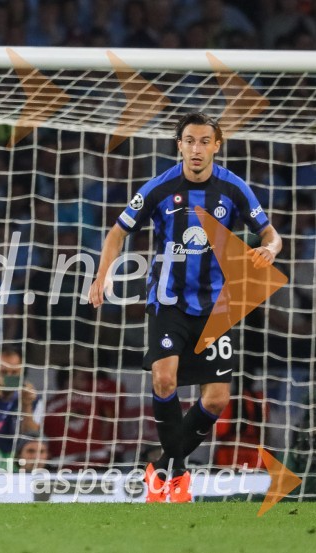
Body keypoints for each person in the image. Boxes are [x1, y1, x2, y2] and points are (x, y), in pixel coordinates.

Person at [89, 112, 282, 503]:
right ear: (179, 145)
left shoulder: (233, 188)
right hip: (169, 301)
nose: (196, 149)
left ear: (216, 145)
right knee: (164, 380)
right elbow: (117, 232)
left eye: (204, 141)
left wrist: (271, 249)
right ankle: (176, 480)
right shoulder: (160, 187)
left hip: (216, 307)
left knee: (217, 399)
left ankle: (164, 468)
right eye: (189, 141)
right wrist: (102, 275)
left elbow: (270, 233)